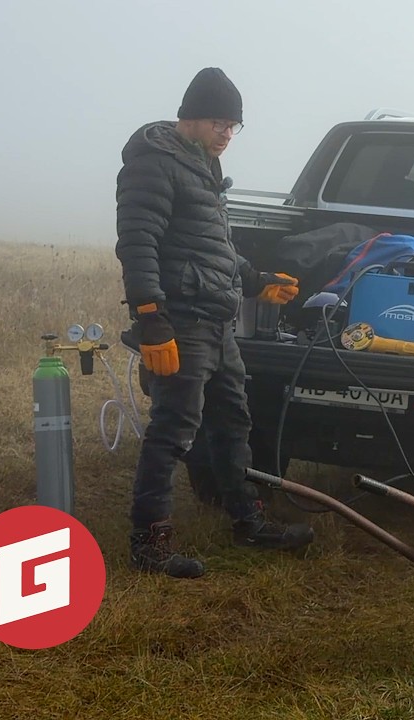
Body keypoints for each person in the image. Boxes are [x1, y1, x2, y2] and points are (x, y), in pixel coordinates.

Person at [115, 67, 314, 579]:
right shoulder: (154, 165)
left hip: (217, 322)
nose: (227, 134)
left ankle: (247, 519)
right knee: (174, 429)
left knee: (233, 421)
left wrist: (255, 279)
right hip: (181, 320)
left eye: (234, 126)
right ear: (191, 118)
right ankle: (149, 544)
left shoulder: (201, 168)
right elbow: (138, 245)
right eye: (218, 122)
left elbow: (214, 248)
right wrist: (151, 318)